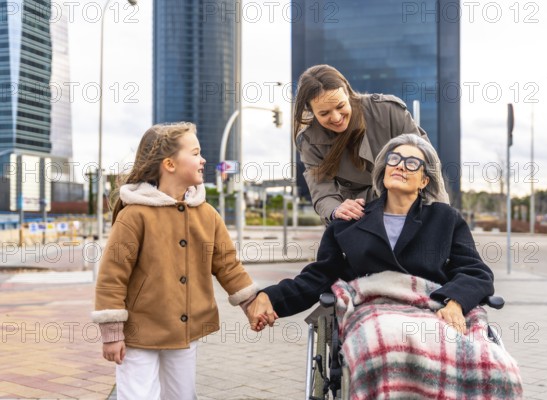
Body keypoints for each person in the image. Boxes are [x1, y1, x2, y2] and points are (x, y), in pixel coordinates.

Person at [248, 134, 522, 398]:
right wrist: (270, 297)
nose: (401, 165)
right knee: (387, 345)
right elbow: (320, 275)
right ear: (383, 169)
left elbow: (476, 271)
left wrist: (455, 303)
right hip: (373, 309)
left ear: (424, 180)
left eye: (412, 162)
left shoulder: (445, 219)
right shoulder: (351, 220)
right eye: (394, 159)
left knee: (495, 367)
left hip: (431, 309)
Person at [91, 122, 258, 399]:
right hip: (138, 335)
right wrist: (112, 333)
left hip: (184, 332)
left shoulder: (207, 215)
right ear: (170, 164)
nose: (203, 159)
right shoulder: (135, 215)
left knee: (182, 396)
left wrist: (251, 303)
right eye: (195, 153)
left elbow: (228, 265)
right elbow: (112, 276)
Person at [293, 64, 448, 223]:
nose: (337, 117)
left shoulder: (388, 111)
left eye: (340, 106)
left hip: (409, 206)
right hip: (358, 215)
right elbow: (322, 192)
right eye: (324, 113)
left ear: (348, 93)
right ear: (311, 111)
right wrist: (336, 210)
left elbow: (429, 168)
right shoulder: (309, 141)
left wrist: (441, 219)